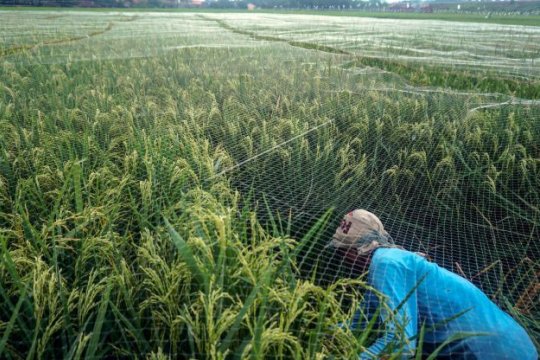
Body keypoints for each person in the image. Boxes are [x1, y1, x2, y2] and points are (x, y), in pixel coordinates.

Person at [328, 209, 538, 360]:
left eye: (342, 250)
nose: (340, 256)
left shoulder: (386, 264)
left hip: (492, 351)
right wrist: (318, 332)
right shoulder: (390, 264)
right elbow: (360, 323)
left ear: (357, 249)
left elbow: (400, 345)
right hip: (513, 343)